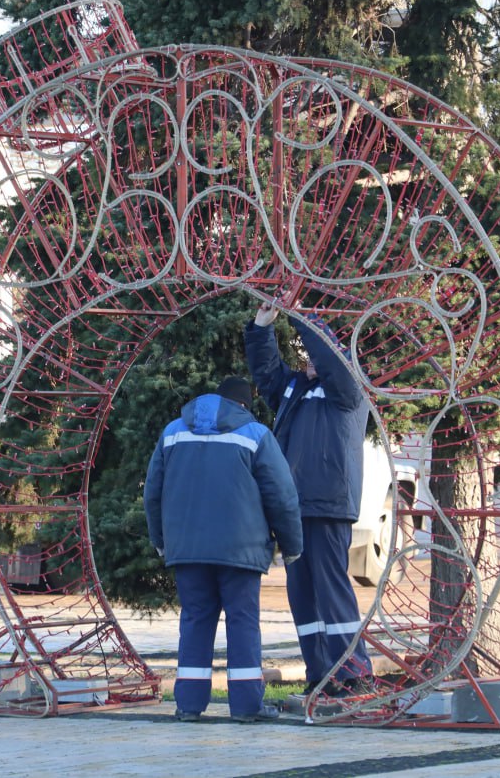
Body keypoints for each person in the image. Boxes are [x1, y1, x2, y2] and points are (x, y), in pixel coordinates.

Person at [143, 376, 303, 722]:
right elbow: (282, 497)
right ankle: (246, 707)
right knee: (243, 622)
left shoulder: (173, 432)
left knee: (195, 620)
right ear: (244, 405)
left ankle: (188, 705)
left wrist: (160, 540)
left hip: (187, 549)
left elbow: (152, 492)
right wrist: (291, 546)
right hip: (241, 551)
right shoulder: (255, 434)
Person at [244, 297, 373, 695]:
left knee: (332, 589)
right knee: (302, 594)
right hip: (293, 507)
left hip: (329, 504)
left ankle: (354, 673)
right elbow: (266, 374)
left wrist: (305, 320)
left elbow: (332, 363)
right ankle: (321, 673)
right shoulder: (296, 390)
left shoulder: (348, 391)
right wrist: (262, 327)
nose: (309, 361)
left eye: (315, 353)